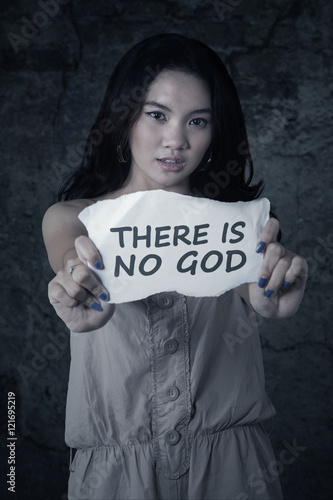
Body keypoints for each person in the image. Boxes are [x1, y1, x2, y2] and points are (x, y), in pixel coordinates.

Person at [42, 33, 308, 500]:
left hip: (233, 469)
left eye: (197, 121)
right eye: (157, 115)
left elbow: (259, 290)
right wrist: (79, 288)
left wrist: (272, 295)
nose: (176, 140)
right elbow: (72, 263)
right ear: (125, 116)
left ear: (214, 130)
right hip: (115, 476)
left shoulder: (242, 224)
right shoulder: (73, 219)